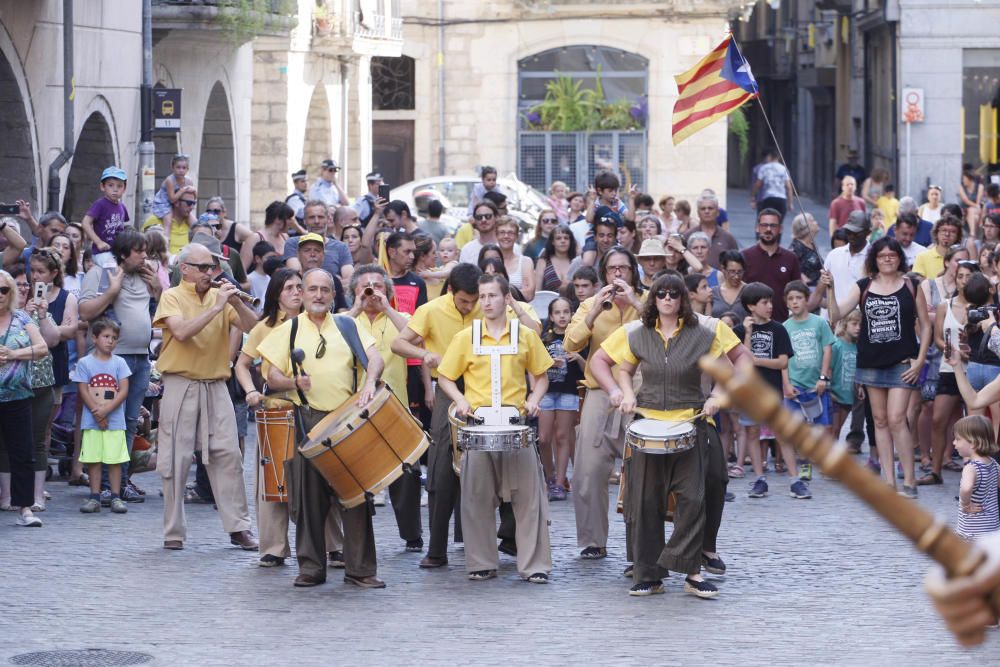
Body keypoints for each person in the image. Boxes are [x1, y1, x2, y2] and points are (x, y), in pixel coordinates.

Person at [594, 273, 741, 597]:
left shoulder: (703, 334)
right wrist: (619, 393)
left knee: (693, 498)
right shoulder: (637, 332)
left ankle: (691, 572)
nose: (668, 299)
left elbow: (733, 367)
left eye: (674, 294)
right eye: (662, 294)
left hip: (690, 422)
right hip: (647, 424)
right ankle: (650, 573)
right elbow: (601, 363)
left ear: (682, 299)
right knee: (645, 500)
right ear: (654, 298)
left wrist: (718, 396)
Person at [258, 268, 385, 588]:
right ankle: (311, 568)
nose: (317, 295)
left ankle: (361, 569)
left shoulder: (348, 324)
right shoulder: (288, 331)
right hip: (307, 418)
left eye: (324, 290)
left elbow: (375, 357)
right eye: (312, 289)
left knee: (356, 497)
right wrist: (292, 382)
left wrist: (370, 381)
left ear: (333, 294)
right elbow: (270, 375)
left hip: (347, 419)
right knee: (309, 498)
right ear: (303, 293)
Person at [436, 273, 553, 583]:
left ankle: (534, 565)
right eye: (482, 296)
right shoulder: (466, 337)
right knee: (476, 496)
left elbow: (541, 376)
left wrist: (534, 398)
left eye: (492, 296)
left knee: (529, 498)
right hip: (479, 425)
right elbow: (445, 376)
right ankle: (481, 563)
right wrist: (460, 399)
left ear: (506, 299)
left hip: (515, 423)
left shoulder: (525, 336)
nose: (486, 302)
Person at [152, 243, 259, 550]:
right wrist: (216, 308)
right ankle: (173, 531)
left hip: (215, 384)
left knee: (229, 454)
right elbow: (182, 332)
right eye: (203, 268)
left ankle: (238, 527)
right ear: (184, 269)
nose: (210, 273)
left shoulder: (220, 296)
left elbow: (254, 328)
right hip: (180, 382)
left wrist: (237, 303)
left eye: (212, 268)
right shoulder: (172, 296)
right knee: (175, 457)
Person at [391, 263, 484, 568]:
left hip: (483, 387)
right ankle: (436, 548)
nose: (470, 307)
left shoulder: (487, 303)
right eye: (464, 302)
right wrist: (424, 355)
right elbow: (398, 343)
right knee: (442, 464)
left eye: (474, 301)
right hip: (447, 387)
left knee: (497, 458)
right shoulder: (431, 310)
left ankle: (504, 538)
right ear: (450, 291)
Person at [823, 237, 932, 497]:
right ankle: (889, 481)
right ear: (874, 259)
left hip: (903, 362)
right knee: (880, 420)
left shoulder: (912, 286)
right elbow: (836, 315)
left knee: (897, 419)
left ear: (899, 258)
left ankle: (909, 480)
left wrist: (920, 360)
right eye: (882, 255)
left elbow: (926, 326)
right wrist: (830, 289)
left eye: (892, 255)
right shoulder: (863, 286)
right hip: (870, 363)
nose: (887, 259)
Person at [564, 247, 644, 560]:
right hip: (600, 390)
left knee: (642, 470)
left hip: (642, 390)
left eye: (624, 268)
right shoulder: (588, 303)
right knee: (588, 469)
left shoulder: (650, 300)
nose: (619, 275)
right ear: (604, 273)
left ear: (633, 272)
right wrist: (595, 310)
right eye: (613, 269)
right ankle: (593, 540)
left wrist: (637, 303)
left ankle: (639, 541)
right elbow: (571, 343)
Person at [78, 230, 158, 501]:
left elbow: (156, 315)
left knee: (130, 423)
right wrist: (111, 291)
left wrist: (157, 289)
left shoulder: (146, 276)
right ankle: (100, 485)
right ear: (124, 253)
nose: (145, 256)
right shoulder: (101, 272)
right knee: (107, 421)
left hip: (140, 358)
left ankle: (120, 483)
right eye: (139, 251)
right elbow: (86, 312)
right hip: (112, 360)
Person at [348, 264, 424, 550]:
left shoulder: (399, 317)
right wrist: (356, 309)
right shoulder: (344, 319)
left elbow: (416, 335)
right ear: (353, 292)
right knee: (356, 475)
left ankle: (412, 533)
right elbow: (330, 337)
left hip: (395, 406)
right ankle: (356, 539)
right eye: (364, 287)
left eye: (378, 285)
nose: (371, 291)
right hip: (355, 407)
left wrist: (387, 307)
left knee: (408, 472)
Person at [918, 262, 979, 486]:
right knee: (937, 418)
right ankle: (935, 470)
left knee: (973, 423)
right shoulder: (946, 305)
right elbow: (937, 338)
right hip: (949, 368)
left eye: (968, 276)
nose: (964, 280)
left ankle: (975, 475)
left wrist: (971, 351)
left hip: (974, 369)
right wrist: (951, 350)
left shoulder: (983, 306)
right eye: (960, 276)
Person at [731, 282, 793, 496]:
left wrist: (757, 360)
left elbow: (783, 362)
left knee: (782, 434)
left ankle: (795, 479)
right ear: (751, 306)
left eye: (770, 302)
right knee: (752, 432)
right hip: (749, 392)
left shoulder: (778, 328)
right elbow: (742, 363)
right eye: (764, 302)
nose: (769, 306)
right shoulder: (738, 331)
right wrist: (748, 334)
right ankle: (759, 478)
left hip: (772, 390)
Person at [0, 269, 48, 526]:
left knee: (22, 452)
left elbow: (42, 348)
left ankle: (25, 509)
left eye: (3, 290)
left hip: (17, 394)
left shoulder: (21, 318)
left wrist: (12, 354)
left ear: (11, 293)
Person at [73, 318, 131, 514]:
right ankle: (94, 496)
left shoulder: (120, 363)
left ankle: (115, 496)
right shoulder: (85, 363)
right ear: (95, 338)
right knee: (94, 459)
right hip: (92, 420)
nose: (110, 341)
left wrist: (107, 410)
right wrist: (98, 414)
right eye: (106, 336)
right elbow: (83, 390)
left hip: (114, 421)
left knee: (114, 460)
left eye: (114, 338)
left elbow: (123, 390)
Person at [782, 279, 835, 482]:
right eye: (791, 299)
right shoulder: (785, 327)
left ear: (807, 300)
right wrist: (786, 383)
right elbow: (783, 359)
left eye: (799, 298)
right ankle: (803, 465)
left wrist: (823, 377)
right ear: (786, 302)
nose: (795, 302)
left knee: (818, 429)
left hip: (816, 385)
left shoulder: (819, 323)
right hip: (795, 383)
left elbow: (827, 349)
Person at [538, 296, 585, 500]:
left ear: (572, 314)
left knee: (563, 436)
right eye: (557, 312)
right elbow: (534, 366)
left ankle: (559, 482)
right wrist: (549, 362)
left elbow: (588, 370)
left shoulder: (577, 337)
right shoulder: (543, 338)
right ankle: (549, 476)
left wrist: (579, 357)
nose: (562, 316)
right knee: (544, 438)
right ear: (551, 316)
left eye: (566, 312)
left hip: (568, 391)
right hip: (546, 392)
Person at [741, 208, 803, 322]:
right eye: (764, 225)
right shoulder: (744, 256)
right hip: (751, 324)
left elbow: (798, 291)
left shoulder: (790, 258)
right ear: (757, 228)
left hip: (782, 323)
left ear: (780, 229)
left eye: (773, 226)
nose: (768, 229)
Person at [283, 200, 353, 282]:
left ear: (328, 219)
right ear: (304, 221)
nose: (316, 221)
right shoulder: (293, 243)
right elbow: (296, 278)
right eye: (312, 217)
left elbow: (350, 282)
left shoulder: (342, 247)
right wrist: (335, 280)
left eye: (320, 217)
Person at [81, 166, 130, 265]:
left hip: (117, 251)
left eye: (119, 186)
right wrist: (98, 242)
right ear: (103, 186)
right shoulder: (100, 204)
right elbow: (85, 222)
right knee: (110, 267)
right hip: (102, 252)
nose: (115, 189)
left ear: (124, 188)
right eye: (111, 185)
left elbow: (124, 228)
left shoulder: (122, 207)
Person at [149, 155, 195, 246]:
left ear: (187, 169)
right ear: (173, 168)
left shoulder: (188, 180)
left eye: (184, 168)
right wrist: (183, 190)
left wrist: (192, 192)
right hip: (165, 202)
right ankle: (166, 241)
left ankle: (197, 238)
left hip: (179, 201)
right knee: (168, 221)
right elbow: (172, 199)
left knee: (193, 220)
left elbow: (193, 194)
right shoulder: (170, 180)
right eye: (178, 167)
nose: (181, 170)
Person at [685, 192, 738, 268]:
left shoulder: (728, 238)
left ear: (718, 212)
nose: (707, 211)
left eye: (710, 208)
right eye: (703, 209)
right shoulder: (687, 236)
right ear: (698, 213)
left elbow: (736, 266)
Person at [495, 217, 535, 301]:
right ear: (496, 235)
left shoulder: (526, 262)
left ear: (516, 237)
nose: (506, 236)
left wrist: (498, 295)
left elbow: (529, 295)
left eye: (510, 233)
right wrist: (519, 292)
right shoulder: (489, 261)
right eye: (502, 232)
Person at [534, 224, 580, 293]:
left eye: (566, 238)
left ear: (571, 241)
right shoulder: (543, 261)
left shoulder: (576, 261)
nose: (563, 241)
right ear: (552, 242)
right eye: (558, 238)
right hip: (548, 302)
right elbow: (537, 290)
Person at [751, 148, 793, 220]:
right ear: (778, 157)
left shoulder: (764, 168)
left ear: (770, 157)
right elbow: (789, 187)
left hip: (768, 199)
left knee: (766, 222)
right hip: (781, 200)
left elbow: (758, 184)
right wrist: (790, 203)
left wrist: (753, 197)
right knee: (778, 223)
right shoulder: (783, 169)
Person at [459, 201, 501, 266]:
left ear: (496, 218)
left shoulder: (508, 247)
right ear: (475, 220)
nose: (483, 220)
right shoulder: (467, 249)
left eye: (488, 216)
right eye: (479, 217)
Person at [711, 250, 748, 320]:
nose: (736, 276)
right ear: (723, 269)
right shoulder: (713, 293)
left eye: (740, 272)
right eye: (732, 271)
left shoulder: (749, 291)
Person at [827, 175, 867, 241]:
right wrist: (833, 240)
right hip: (843, 238)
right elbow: (832, 224)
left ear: (855, 187)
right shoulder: (836, 203)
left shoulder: (861, 202)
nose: (850, 186)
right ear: (842, 187)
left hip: (858, 238)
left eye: (852, 184)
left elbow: (864, 222)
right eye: (847, 184)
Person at [790, 213, 823, 288]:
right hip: (809, 290)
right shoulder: (796, 247)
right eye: (813, 220)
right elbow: (794, 270)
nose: (816, 222)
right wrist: (810, 286)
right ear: (805, 227)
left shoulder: (811, 244)